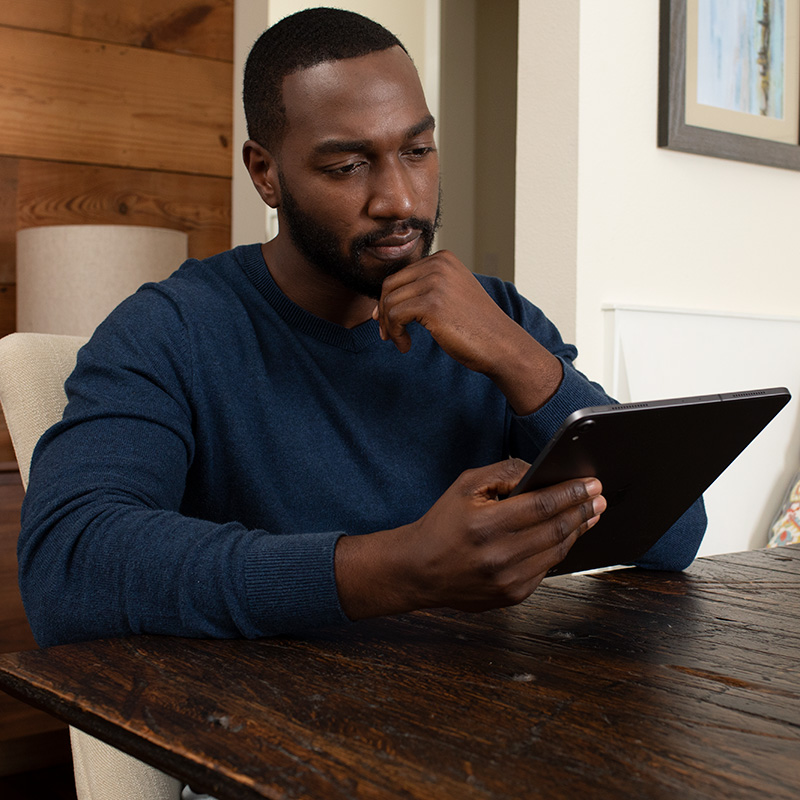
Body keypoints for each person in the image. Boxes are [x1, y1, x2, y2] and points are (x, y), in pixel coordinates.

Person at [18, 7, 706, 649]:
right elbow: (68, 566)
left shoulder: (498, 317)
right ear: (265, 172)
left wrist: (519, 359)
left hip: (489, 714)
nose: (400, 200)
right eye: (347, 166)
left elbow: (675, 536)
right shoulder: (170, 330)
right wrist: (398, 569)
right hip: (275, 740)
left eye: (418, 151)